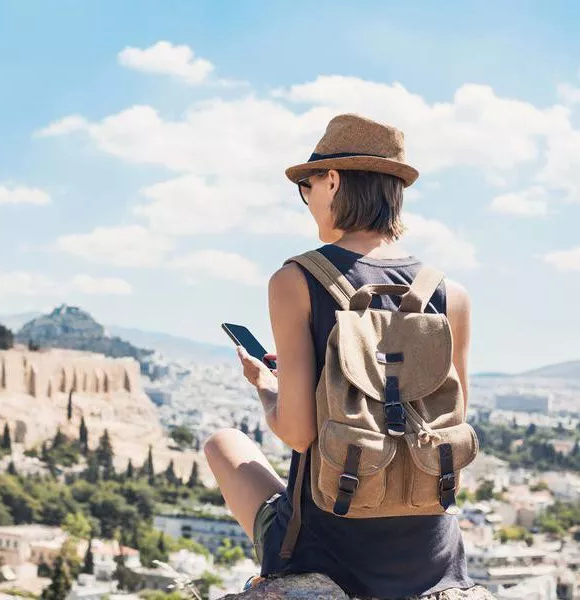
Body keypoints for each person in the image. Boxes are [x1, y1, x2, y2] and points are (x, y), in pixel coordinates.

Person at [204, 114, 493, 599]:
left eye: (307, 186)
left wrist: (269, 389)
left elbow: (298, 433)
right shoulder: (451, 294)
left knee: (223, 443)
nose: (307, 199)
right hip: (431, 557)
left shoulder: (296, 280)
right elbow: (452, 419)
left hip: (328, 551)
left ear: (332, 180)